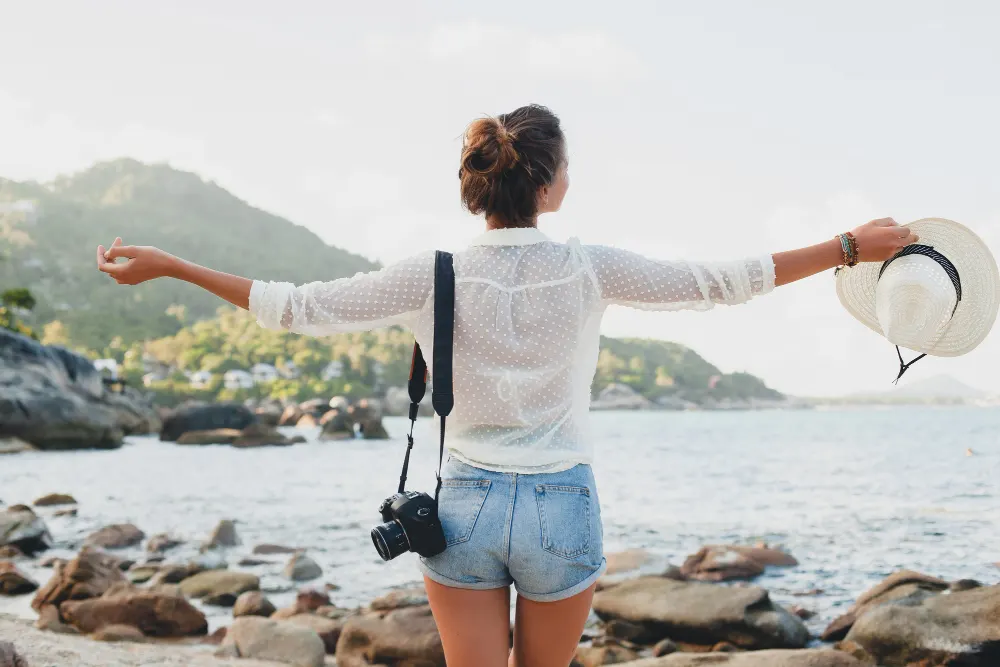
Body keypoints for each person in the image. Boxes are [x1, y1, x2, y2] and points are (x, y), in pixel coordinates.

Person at [95, 104, 917, 667]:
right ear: (550, 181)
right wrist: (847, 244)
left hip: (464, 509)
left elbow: (297, 307)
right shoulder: (589, 267)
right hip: (562, 501)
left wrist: (171, 264)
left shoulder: (430, 274)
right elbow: (718, 281)